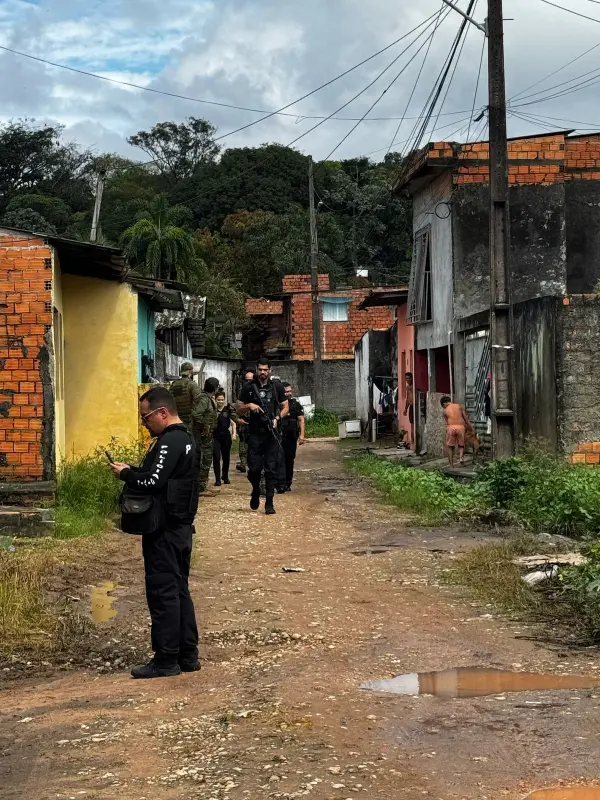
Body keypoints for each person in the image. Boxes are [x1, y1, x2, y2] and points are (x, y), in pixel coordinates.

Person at [110, 386, 199, 679]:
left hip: (164, 529)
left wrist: (126, 474)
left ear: (162, 413)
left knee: (163, 592)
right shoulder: (186, 439)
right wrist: (134, 469)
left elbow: (153, 482)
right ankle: (187, 655)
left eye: (146, 418)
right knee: (179, 590)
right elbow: (161, 476)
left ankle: (166, 660)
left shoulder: (169, 441)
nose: (144, 424)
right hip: (180, 527)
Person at [237, 358, 288, 515]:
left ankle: (269, 502)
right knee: (254, 469)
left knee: (271, 469)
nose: (263, 372)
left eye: (265, 369)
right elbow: (238, 408)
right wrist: (249, 406)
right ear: (256, 370)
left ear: (270, 370)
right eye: (260, 369)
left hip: (271, 434)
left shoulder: (277, 387)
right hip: (255, 434)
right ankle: (255, 489)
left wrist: (277, 418)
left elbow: (285, 406)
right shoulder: (249, 387)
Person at [196, 377, 220, 496]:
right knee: (205, 460)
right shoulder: (204, 399)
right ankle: (200, 488)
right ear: (214, 388)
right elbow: (197, 414)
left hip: (208, 435)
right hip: (203, 436)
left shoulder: (208, 399)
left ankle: (202, 485)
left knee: (207, 459)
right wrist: (204, 427)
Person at [280, 382, 305, 491]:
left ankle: (287, 483)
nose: (289, 393)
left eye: (290, 391)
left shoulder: (295, 404)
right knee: (279, 459)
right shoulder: (278, 404)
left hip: (291, 436)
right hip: (279, 436)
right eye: (286, 391)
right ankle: (279, 482)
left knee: (289, 459)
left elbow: (301, 420)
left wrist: (302, 435)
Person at [441, 396, 475, 467]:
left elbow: (447, 422)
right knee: (461, 445)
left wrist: (448, 429)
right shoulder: (459, 406)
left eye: (443, 406)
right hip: (461, 427)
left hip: (451, 427)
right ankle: (461, 458)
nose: (444, 408)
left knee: (450, 447)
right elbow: (466, 419)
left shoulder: (445, 411)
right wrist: (472, 428)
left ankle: (451, 465)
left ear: (444, 403)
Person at [213, 390, 238, 487]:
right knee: (216, 457)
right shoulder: (212, 410)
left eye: (222, 399)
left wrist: (234, 433)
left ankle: (225, 476)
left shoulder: (228, 410)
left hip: (226, 436)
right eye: (218, 400)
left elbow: (233, 423)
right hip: (215, 436)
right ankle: (217, 479)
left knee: (226, 457)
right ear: (215, 400)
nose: (220, 401)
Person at [169, 362, 202, 430]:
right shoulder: (192, 384)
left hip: (176, 419)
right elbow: (199, 401)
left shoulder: (173, 385)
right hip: (189, 420)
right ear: (190, 371)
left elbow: (170, 401)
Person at [236, 371, 254, 473]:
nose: (248, 382)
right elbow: (238, 407)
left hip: (254, 422)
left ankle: (252, 464)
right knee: (243, 442)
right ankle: (243, 463)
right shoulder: (242, 392)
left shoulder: (257, 391)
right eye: (246, 380)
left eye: (250, 380)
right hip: (244, 421)